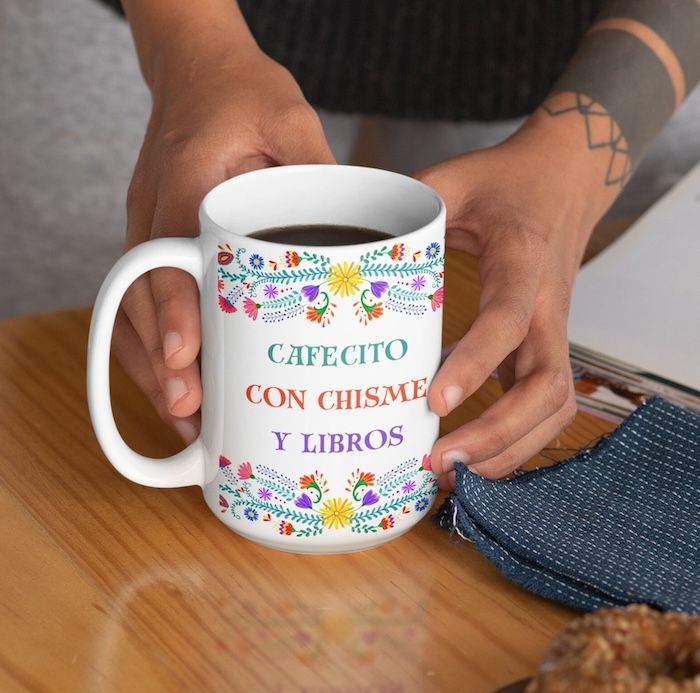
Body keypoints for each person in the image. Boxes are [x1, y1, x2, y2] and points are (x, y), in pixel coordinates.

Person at [101, 0, 700, 484]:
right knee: (119, 326)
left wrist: (574, 166)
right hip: (152, 36)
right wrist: (188, 44)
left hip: (591, 55)